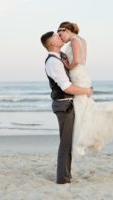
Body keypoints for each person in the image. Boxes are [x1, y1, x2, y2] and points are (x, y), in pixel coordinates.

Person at [57, 21, 113, 157]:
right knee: (87, 108)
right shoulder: (82, 40)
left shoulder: (73, 40)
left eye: (60, 35)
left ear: (66, 30)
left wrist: (66, 65)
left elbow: (78, 60)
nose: (60, 38)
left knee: (82, 110)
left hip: (78, 75)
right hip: (82, 74)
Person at [40, 31, 93, 184]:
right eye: (57, 37)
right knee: (66, 142)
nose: (60, 37)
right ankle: (63, 178)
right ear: (52, 44)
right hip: (64, 104)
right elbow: (66, 87)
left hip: (68, 103)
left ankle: (66, 175)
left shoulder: (61, 57)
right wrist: (86, 91)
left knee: (69, 141)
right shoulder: (53, 62)